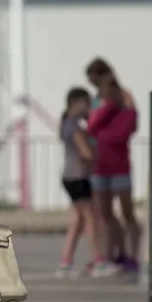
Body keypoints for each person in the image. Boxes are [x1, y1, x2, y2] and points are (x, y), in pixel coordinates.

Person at [84, 58, 140, 276]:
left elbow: (128, 126)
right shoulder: (99, 100)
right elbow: (92, 126)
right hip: (100, 163)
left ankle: (131, 254)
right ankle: (111, 254)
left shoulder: (123, 97)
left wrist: (110, 109)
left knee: (127, 211)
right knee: (104, 213)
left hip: (119, 164)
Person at [57, 87, 97, 278]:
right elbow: (86, 153)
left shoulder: (66, 123)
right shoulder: (75, 127)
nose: (89, 108)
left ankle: (66, 261)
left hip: (69, 176)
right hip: (78, 176)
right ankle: (98, 260)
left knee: (78, 219)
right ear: (76, 102)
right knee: (89, 218)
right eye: (87, 103)